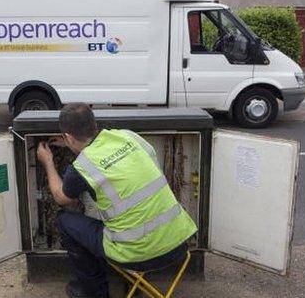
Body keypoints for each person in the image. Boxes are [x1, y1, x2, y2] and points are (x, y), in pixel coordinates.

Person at [36, 103, 197, 298]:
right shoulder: (127, 136)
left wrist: (48, 162)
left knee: (65, 221)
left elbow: (61, 197)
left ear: (68, 137)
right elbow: (148, 159)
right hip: (178, 244)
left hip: (136, 256)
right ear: (94, 125)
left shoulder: (81, 167)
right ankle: (133, 284)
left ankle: (94, 292)